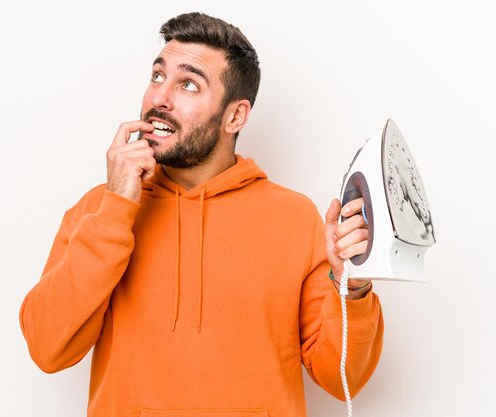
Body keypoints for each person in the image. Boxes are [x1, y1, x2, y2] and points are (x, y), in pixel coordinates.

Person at [19, 12, 383, 417]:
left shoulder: (295, 218)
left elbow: (341, 378)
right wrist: (117, 206)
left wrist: (352, 288)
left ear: (235, 116)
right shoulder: (98, 209)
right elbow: (47, 348)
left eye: (188, 84)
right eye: (157, 77)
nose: (160, 98)